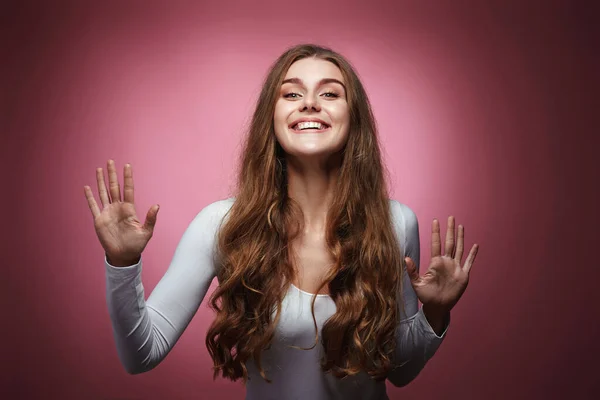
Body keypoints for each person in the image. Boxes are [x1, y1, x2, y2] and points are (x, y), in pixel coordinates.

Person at [83, 44, 479, 400]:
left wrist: (435, 314)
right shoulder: (221, 224)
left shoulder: (395, 223)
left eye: (329, 93)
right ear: (270, 119)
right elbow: (141, 354)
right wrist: (122, 264)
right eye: (291, 93)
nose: (309, 103)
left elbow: (400, 371)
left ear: (352, 118)